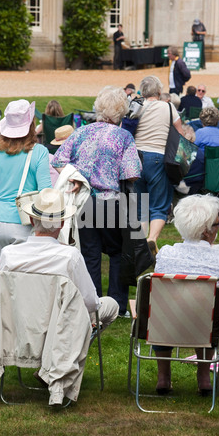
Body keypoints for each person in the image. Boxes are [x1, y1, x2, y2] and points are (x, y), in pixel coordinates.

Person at [52, 86, 142, 317]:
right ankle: (117, 304)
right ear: (121, 111)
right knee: (117, 252)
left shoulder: (81, 132)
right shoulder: (124, 136)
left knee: (89, 253)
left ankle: (91, 304)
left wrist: (76, 176)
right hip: (110, 201)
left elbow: (58, 159)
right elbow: (132, 173)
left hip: (84, 201)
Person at [0, 188, 119, 330]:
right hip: (59, 331)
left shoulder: (8, 254)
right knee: (111, 305)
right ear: (62, 224)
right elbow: (91, 302)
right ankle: (85, 335)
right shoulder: (70, 256)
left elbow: (1, 296)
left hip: (18, 326)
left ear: (31, 220)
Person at [154, 194, 219, 395]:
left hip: (165, 327)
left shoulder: (165, 254)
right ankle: (204, 376)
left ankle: (163, 377)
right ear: (208, 231)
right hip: (206, 328)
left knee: (160, 310)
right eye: (217, 224)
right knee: (212, 315)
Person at [0, 99, 52, 260]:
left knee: (3, 271)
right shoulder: (39, 152)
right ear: (31, 124)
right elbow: (46, 192)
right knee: (22, 276)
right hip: (23, 221)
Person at [131, 75, 184, 255]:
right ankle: (152, 239)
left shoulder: (136, 107)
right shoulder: (168, 107)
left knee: (140, 204)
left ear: (142, 91)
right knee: (159, 203)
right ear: (159, 91)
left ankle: (140, 247)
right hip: (158, 157)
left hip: (136, 158)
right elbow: (180, 132)